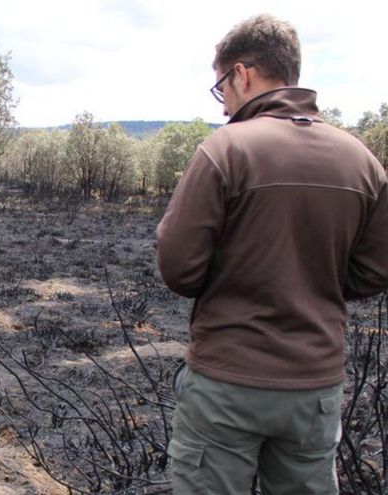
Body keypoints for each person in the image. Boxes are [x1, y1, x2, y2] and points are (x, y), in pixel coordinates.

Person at [157, 14, 388, 494]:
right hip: (315, 388)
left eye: (222, 88)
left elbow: (178, 268)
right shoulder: (361, 160)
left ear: (242, 74)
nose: (224, 106)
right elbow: (375, 271)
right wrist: (315, 284)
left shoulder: (226, 150)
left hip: (227, 382)